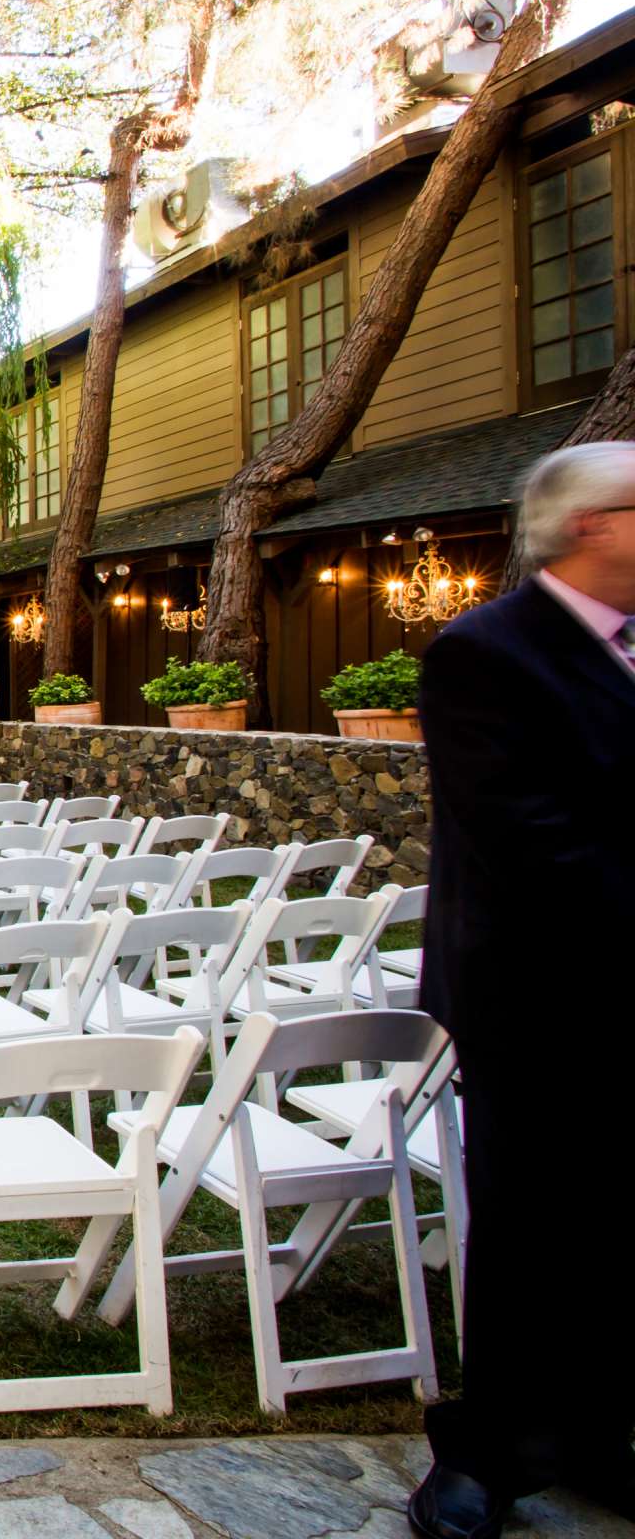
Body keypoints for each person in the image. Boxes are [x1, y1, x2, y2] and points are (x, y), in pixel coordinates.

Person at [410, 442, 635, 1539]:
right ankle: (485, 1453)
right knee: (528, 1220)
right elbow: (526, 840)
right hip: (531, 992)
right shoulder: (481, 651)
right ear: (591, 525)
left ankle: (598, 1432)